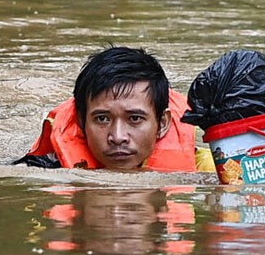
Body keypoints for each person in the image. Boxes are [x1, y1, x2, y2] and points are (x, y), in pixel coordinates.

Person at [15, 46, 214, 172]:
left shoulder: (208, 169)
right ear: (82, 122)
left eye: (135, 118)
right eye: (102, 119)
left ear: (162, 124)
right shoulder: (44, 169)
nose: (118, 137)